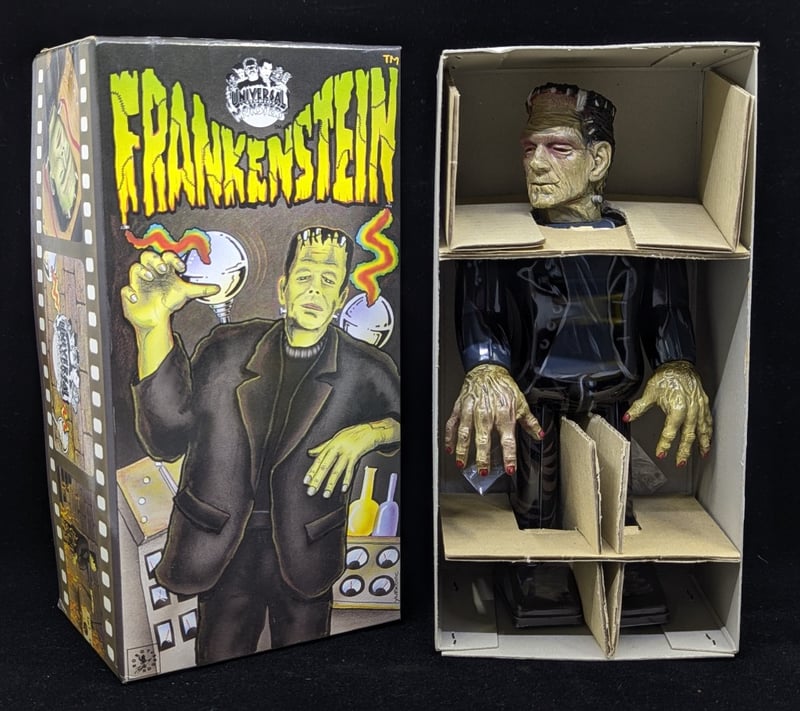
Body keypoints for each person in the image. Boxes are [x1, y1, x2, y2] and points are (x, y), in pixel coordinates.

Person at [122, 226, 400, 663]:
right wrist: (153, 329)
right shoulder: (226, 348)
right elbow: (165, 438)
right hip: (222, 547)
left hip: (307, 550)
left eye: (328, 280)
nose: (315, 289)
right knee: (218, 666)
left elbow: (410, 419)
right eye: (305, 276)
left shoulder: (367, 368)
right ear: (283, 289)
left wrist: (369, 433)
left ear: (341, 298)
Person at [444, 82, 712, 531]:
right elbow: (481, 313)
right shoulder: (497, 246)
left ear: (598, 160)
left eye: (559, 148)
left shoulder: (646, 246)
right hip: (534, 399)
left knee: (612, 505)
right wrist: (486, 365)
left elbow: (666, 308)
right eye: (529, 147)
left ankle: (612, 556)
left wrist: (676, 363)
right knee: (536, 504)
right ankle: (539, 557)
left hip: (615, 397)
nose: (535, 163)